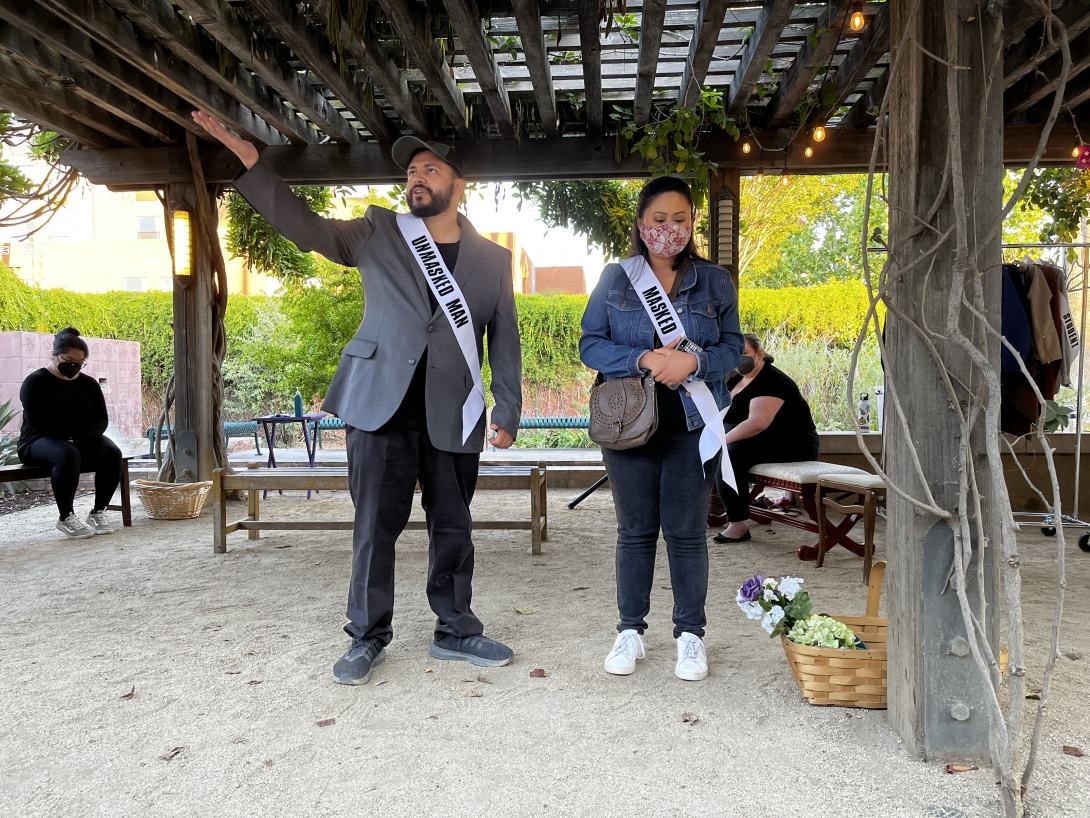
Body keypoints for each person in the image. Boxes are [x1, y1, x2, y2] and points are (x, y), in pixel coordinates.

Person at [192, 111, 523, 685]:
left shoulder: (493, 260)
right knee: (374, 526)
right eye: (412, 171)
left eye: (429, 168)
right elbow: (305, 227)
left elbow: (507, 339)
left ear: (458, 183)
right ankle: (367, 635)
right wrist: (251, 161)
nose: (416, 177)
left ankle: (457, 628)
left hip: (456, 411)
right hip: (379, 405)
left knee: (454, 526)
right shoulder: (377, 230)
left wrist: (508, 408)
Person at [579, 176, 743, 682]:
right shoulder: (616, 278)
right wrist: (643, 357)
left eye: (679, 219)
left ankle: (690, 636)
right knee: (634, 531)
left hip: (694, 425)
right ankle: (631, 631)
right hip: (628, 423)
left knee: (688, 532)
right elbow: (590, 344)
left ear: (692, 224)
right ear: (641, 224)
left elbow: (734, 349)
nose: (669, 229)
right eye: (658, 219)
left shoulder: (715, 281)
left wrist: (693, 366)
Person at [713, 333, 820, 543]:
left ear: (759, 354)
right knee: (725, 450)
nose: (739, 358)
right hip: (762, 440)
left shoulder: (772, 380)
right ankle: (732, 512)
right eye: (735, 354)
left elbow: (756, 424)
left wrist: (721, 442)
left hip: (793, 443)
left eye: (744, 353)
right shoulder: (736, 379)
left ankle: (738, 526)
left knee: (729, 455)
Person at [18, 327, 122, 540]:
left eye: (80, 362)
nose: (73, 366)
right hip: (37, 440)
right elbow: (39, 421)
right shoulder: (35, 381)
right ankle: (66, 517)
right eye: (68, 360)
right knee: (67, 453)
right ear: (54, 354)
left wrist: (81, 438)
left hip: (78, 439)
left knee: (112, 452)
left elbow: (101, 420)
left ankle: (98, 512)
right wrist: (73, 438)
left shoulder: (89, 384)